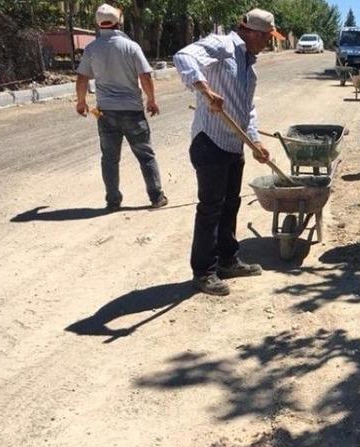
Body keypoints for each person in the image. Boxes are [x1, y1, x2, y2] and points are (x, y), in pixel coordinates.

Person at [173, 8, 276, 296]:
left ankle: (227, 261)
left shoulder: (249, 67)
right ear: (253, 33)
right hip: (210, 142)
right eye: (267, 37)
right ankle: (203, 272)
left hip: (233, 145)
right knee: (210, 209)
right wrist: (205, 89)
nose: (268, 42)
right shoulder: (222, 45)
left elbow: (247, 109)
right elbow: (183, 57)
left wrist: (255, 142)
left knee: (231, 204)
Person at [75, 3, 167, 211]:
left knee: (109, 159)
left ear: (98, 24)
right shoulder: (131, 46)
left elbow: (82, 78)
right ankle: (156, 197)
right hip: (133, 111)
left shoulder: (92, 49)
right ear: (118, 22)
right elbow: (145, 76)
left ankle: (113, 201)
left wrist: (81, 102)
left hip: (105, 113)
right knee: (145, 155)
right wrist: (151, 100)